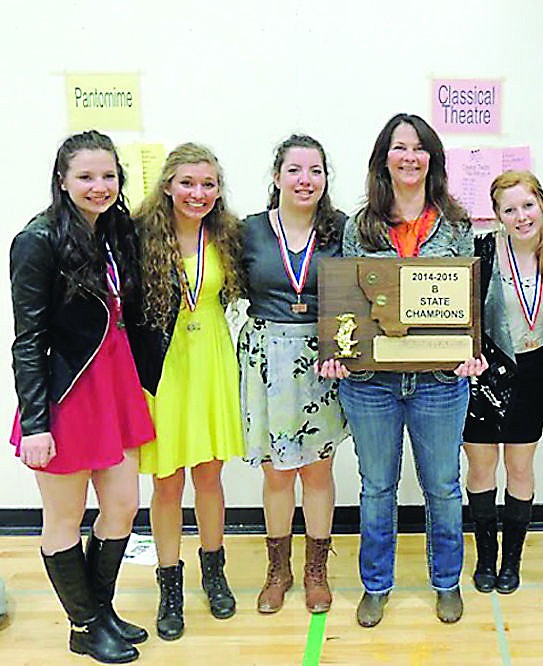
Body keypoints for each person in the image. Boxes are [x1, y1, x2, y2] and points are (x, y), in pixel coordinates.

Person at [317, 112, 486, 627]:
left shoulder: (455, 223)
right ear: (383, 159)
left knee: (442, 485)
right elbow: (349, 302)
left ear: (431, 158)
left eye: (418, 148)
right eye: (398, 147)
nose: (409, 156)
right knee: (377, 487)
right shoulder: (357, 225)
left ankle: (446, 582)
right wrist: (339, 351)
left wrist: (471, 350)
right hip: (372, 384)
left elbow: (465, 302)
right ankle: (376, 585)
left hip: (440, 382)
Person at [9, 130, 155, 663]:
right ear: (63, 180)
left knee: (121, 508)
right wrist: (36, 423)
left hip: (114, 388)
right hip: (65, 396)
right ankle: (85, 624)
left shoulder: (115, 232)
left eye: (109, 175)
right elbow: (28, 338)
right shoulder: (38, 240)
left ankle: (101, 609)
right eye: (87, 176)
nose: (100, 186)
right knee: (64, 519)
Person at [130, 143, 244, 640]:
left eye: (208, 185)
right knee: (166, 483)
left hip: (213, 361)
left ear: (218, 190)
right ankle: (169, 585)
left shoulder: (229, 235)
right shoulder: (140, 237)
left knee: (210, 478)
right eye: (188, 183)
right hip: (165, 369)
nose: (198, 193)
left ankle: (214, 573)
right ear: (168, 185)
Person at [239, 134, 348, 615]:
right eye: (296, 170)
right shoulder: (248, 231)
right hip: (266, 357)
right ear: (277, 176)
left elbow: (359, 294)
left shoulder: (342, 229)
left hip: (324, 357)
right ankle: (278, 569)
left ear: (326, 178)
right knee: (278, 474)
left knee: (318, 471)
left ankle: (315, 570)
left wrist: (344, 347)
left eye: (316, 171)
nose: (306, 180)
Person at [463, 170, 543, 595]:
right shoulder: (483, 252)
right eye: (510, 209)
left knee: (520, 468)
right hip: (486, 373)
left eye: (528, 205)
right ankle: (486, 558)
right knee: (481, 466)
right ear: (496, 216)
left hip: (533, 372)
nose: (521, 216)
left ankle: (512, 561)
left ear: (542, 205)